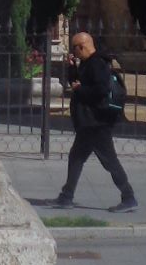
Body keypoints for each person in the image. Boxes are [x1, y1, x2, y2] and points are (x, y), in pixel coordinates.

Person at [45, 32, 138, 212]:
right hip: (89, 123)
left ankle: (129, 197)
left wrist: (81, 90)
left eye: (75, 48)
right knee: (76, 158)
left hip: (97, 123)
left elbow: (101, 89)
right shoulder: (88, 63)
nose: (74, 52)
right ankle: (66, 196)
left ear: (82, 46)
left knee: (109, 161)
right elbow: (76, 84)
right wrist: (72, 69)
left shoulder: (97, 63)